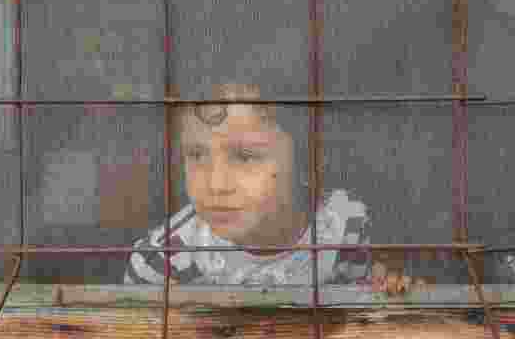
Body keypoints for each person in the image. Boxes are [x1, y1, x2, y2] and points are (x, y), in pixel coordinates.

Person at [123, 82, 414, 293]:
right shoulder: (161, 261)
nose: (216, 184)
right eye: (197, 155)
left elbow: (365, 319)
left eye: (245, 157)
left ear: (306, 159)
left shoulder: (346, 226)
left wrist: (390, 286)